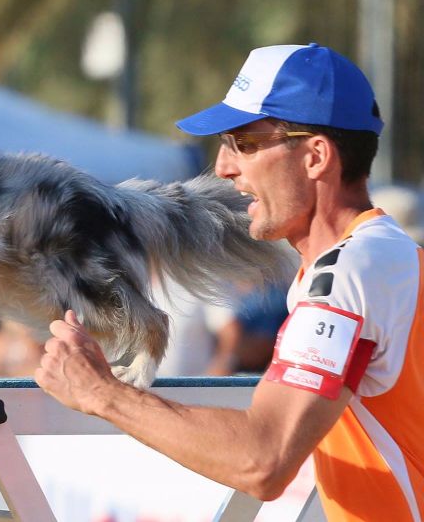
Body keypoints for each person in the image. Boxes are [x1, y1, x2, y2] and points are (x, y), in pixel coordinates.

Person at [36, 44, 422, 520]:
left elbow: (263, 460)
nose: (223, 167)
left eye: (246, 142)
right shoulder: (377, 257)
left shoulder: (351, 269)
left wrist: (101, 393)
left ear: (316, 156)